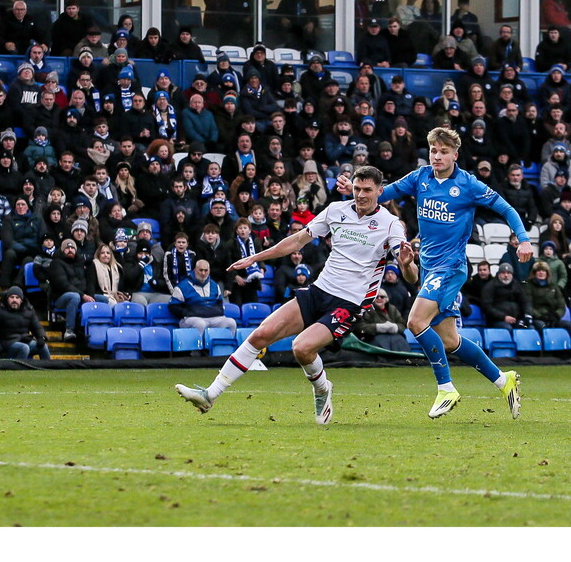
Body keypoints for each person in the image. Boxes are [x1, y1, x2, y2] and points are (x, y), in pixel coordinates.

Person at [176, 165, 417, 425]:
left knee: (301, 348)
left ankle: (323, 388)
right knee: (260, 335)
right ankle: (209, 394)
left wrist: (405, 264)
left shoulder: (390, 224)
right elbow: (296, 241)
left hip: (350, 302)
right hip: (319, 290)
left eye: (367, 190)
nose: (360, 195)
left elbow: (411, 276)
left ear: (380, 192)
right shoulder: (337, 211)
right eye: (357, 189)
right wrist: (254, 258)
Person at [337, 126, 529, 419]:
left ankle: (446, 388)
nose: (437, 156)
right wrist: (358, 193)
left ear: (455, 154)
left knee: (415, 321)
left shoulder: (469, 184)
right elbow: (383, 192)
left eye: (443, 152)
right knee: (450, 341)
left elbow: (507, 209)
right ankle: (504, 382)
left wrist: (524, 239)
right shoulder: (420, 177)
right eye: (433, 151)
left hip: (450, 268)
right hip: (428, 266)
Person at [0, 286, 51, 360]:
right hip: (5, 344)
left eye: (17, 297)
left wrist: (41, 337)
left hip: (24, 340)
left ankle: (47, 369)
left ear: (21, 300)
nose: (14, 300)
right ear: (7, 299)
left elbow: (37, 327)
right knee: (24, 348)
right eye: (12, 297)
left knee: (43, 347)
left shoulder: (28, 311)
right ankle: (19, 371)